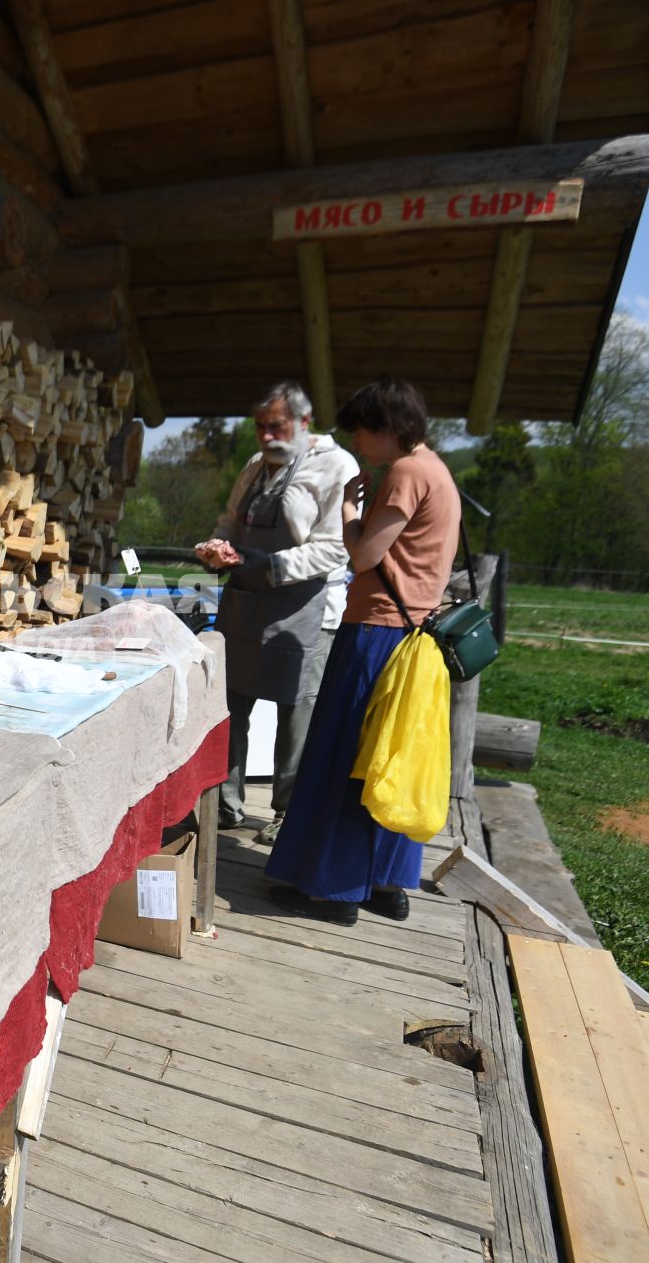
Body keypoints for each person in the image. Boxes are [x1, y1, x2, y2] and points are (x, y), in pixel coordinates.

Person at [264, 378, 461, 925]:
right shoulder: (436, 470)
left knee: (344, 758)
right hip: (414, 635)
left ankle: (334, 891)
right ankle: (386, 883)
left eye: (362, 434)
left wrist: (350, 511)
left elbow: (365, 555)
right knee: (390, 758)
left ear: (388, 428)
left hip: (376, 634)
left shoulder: (403, 473)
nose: (359, 445)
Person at [195, 382, 358, 844]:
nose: (267, 436)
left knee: (295, 718)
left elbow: (334, 549)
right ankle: (225, 805)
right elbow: (230, 520)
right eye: (261, 427)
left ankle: (289, 813)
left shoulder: (337, 465)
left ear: (304, 423)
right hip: (247, 601)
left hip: (306, 610)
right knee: (231, 706)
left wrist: (271, 564)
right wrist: (218, 547)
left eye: (277, 426)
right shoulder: (254, 466)